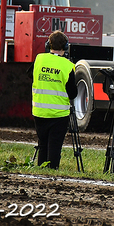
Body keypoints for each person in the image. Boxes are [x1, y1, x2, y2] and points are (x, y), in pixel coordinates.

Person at [32, 30, 77, 169]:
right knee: (55, 146)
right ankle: (52, 171)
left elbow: (31, 77)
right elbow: (73, 94)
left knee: (43, 144)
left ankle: (41, 169)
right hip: (59, 114)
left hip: (39, 112)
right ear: (66, 47)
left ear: (48, 45)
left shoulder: (39, 59)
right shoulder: (68, 65)